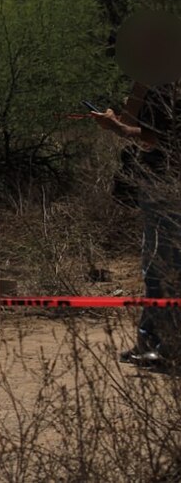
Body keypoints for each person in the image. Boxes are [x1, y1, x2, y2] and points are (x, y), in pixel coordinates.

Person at [95, 83, 181, 366]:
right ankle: (157, 341)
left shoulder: (161, 86)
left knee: (160, 267)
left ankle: (159, 345)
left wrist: (116, 127)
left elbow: (149, 138)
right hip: (166, 185)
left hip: (165, 186)